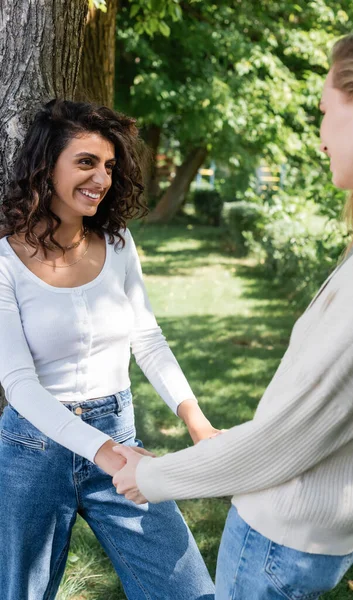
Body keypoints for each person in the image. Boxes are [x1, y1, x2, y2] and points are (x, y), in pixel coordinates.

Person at [112, 21, 353, 600]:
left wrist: (150, 476)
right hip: (314, 531)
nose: (318, 134)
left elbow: (287, 441)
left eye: (323, 111)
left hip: (280, 539)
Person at [0, 100, 217, 600]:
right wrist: (104, 453)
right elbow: (18, 383)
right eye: (86, 162)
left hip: (119, 437)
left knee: (187, 591)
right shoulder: (6, 262)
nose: (102, 177)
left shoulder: (117, 243)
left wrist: (196, 421)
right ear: (45, 166)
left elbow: (148, 339)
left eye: (109, 166)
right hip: (33, 451)